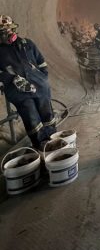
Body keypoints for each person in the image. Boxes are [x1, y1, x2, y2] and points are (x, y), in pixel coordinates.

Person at [0, 15, 57, 150]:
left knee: (47, 113)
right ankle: (40, 146)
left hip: (40, 87)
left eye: (8, 29)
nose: (7, 33)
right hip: (19, 92)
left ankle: (53, 139)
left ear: (13, 28)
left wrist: (42, 78)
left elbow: (41, 61)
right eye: (2, 31)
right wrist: (11, 79)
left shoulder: (27, 44)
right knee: (31, 117)